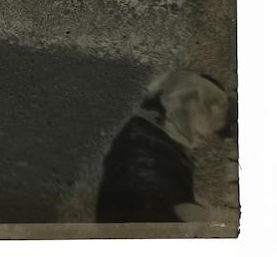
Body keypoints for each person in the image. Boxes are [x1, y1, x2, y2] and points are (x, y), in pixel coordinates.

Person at [95, 70, 238, 223]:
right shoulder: (142, 144)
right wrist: (213, 218)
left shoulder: (161, 140)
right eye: (204, 114)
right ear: (184, 107)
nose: (209, 132)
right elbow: (157, 201)